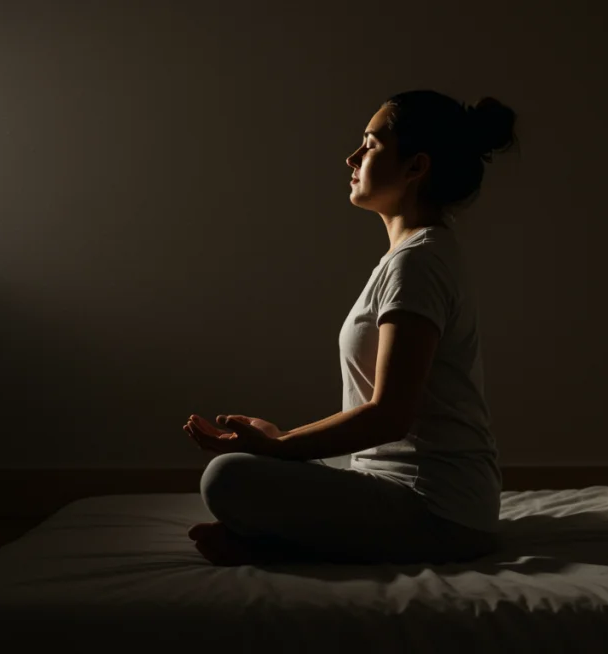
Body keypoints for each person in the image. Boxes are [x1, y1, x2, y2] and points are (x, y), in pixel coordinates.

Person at [183, 89, 517, 566]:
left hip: (439, 511)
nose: (352, 157)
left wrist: (280, 449)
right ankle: (282, 539)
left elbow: (389, 416)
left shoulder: (418, 264)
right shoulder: (415, 256)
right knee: (247, 469)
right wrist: (280, 444)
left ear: (415, 167)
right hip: (407, 493)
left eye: (371, 144)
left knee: (226, 478)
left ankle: (280, 546)